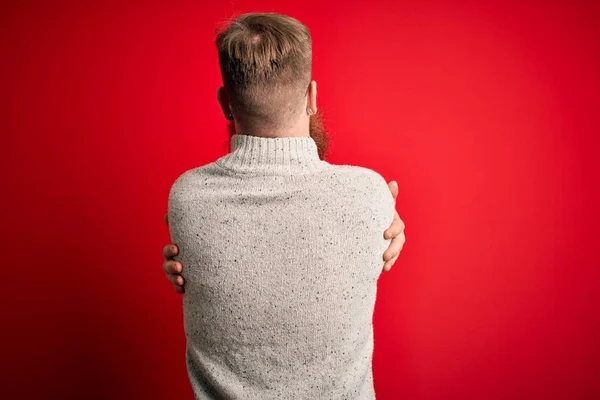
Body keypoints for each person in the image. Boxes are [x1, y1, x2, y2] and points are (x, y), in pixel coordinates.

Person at [164, 12, 407, 399]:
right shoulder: (368, 194)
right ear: (311, 96)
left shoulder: (186, 198)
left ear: (226, 102)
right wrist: (379, 205)